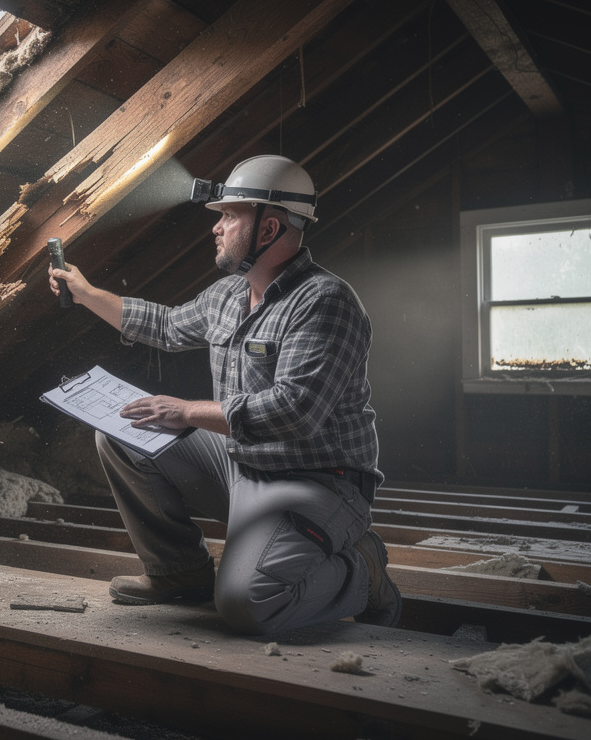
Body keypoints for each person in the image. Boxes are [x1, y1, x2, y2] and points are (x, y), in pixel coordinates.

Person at [48, 155, 400, 635]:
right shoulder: (230, 294)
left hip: (318, 480)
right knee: (126, 429)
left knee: (249, 605)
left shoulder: (325, 302)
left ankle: (365, 570)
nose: (216, 228)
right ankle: (179, 573)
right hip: (242, 462)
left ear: (269, 227)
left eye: (229, 216)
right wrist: (87, 293)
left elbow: (294, 412)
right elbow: (167, 325)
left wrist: (188, 411)